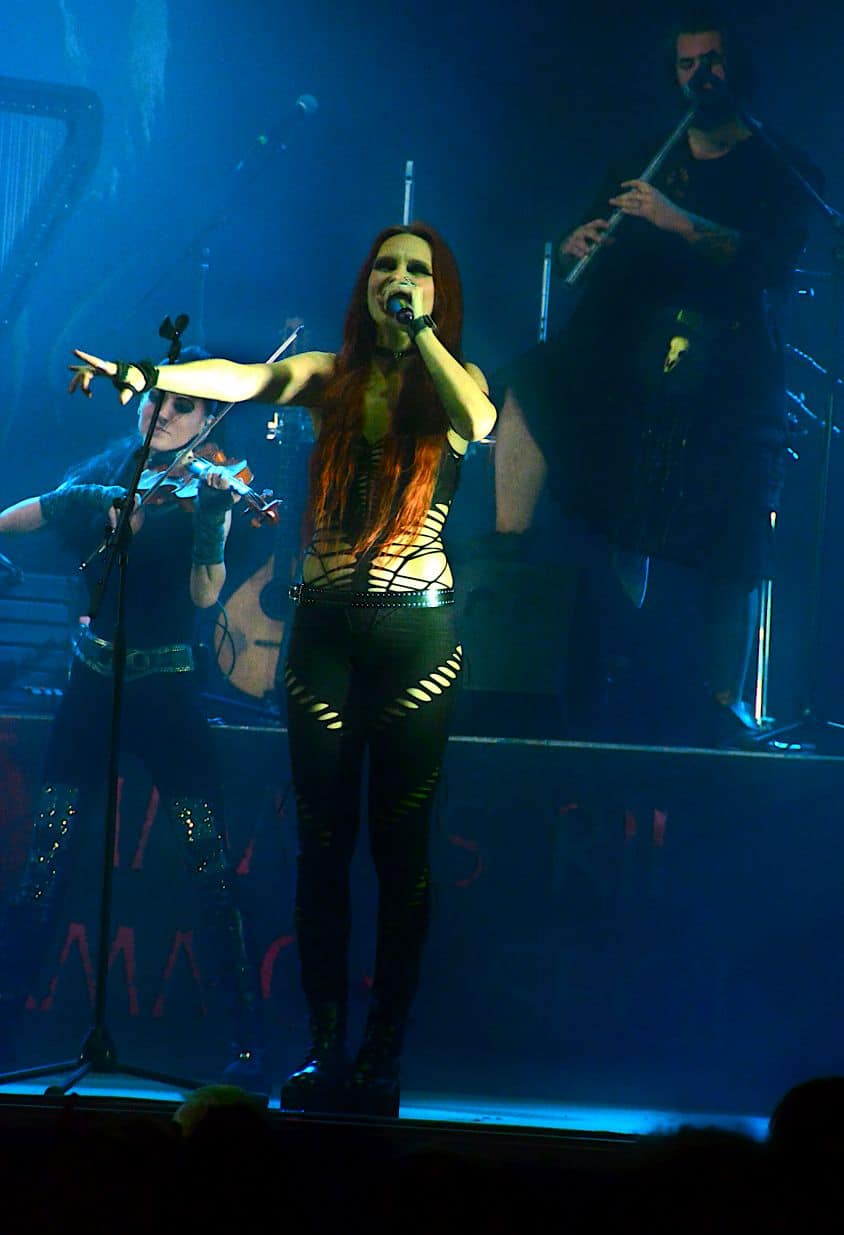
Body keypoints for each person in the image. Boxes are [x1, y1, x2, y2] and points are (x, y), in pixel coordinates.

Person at [68, 222, 496, 1117]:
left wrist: (422, 332)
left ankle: (383, 1056)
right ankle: (325, 1049)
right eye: (385, 266)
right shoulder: (327, 376)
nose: (397, 278)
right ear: (365, 282)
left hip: (415, 637)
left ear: (438, 290)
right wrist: (149, 374)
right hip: (326, 632)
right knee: (322, 848)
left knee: (400, 849)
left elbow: (479, 422)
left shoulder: (457, 381)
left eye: (416, 270)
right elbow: (241, 378)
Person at [493, 8, 818, 745]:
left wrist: (674, 218)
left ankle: (721, 708)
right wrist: (578, 243)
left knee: (729, 546)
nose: (700, 76)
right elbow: (592, 245)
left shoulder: (782, 166)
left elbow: (768, 263)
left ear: (739, 68)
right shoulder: (646, 156)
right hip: (633, 362)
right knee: (534, 385)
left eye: (713, 61)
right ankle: (512, 567)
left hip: (726, 368)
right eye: (686, 64)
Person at [0, 348, 267, 1092]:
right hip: (92, 684)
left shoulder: (210, 490)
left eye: (184, 405)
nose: (163, 411)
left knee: (208, 862)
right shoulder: (109, 474)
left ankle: (247, 1046)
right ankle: (5, 1030)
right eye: (158, 398)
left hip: (167, 689)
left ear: (210, 419)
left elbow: (206, 595)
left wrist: (213, 521)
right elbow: (35, 512)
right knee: (45, 857)